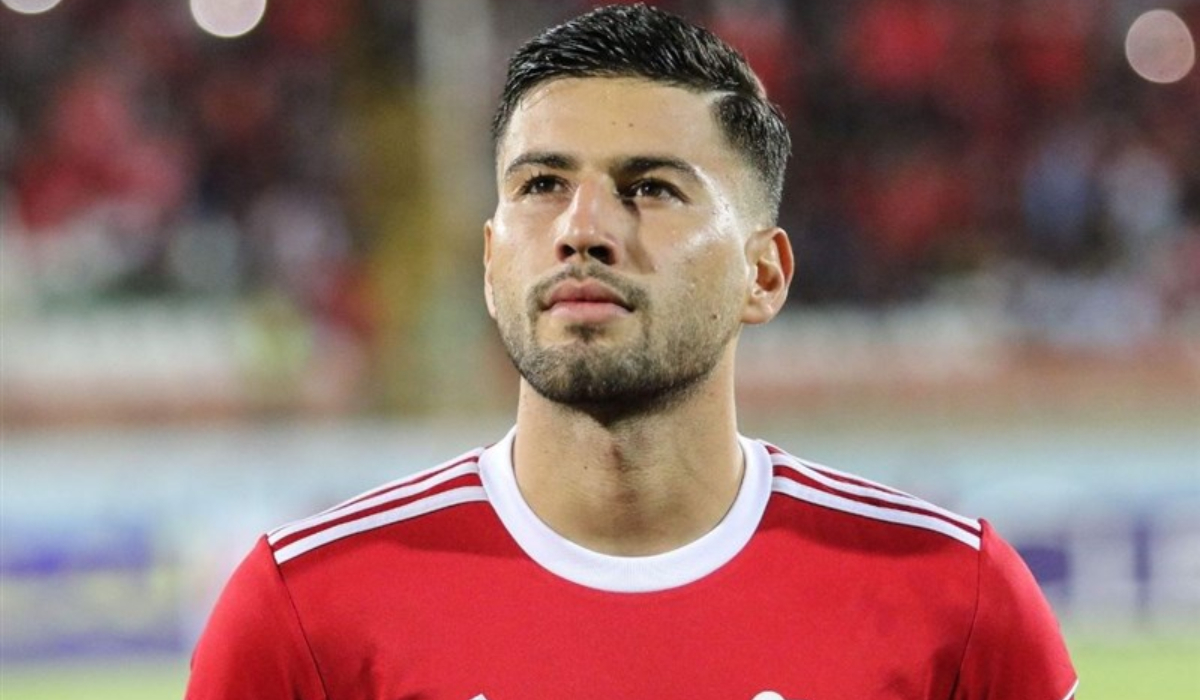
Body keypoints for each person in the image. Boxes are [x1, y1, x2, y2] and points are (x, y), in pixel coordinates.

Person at [185, 5, 1078, 699]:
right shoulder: (305, 609)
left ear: (764, 274)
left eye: (650, 188)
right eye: (542, 184)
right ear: (492, 264)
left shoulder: (955, 600)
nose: (583, 230)